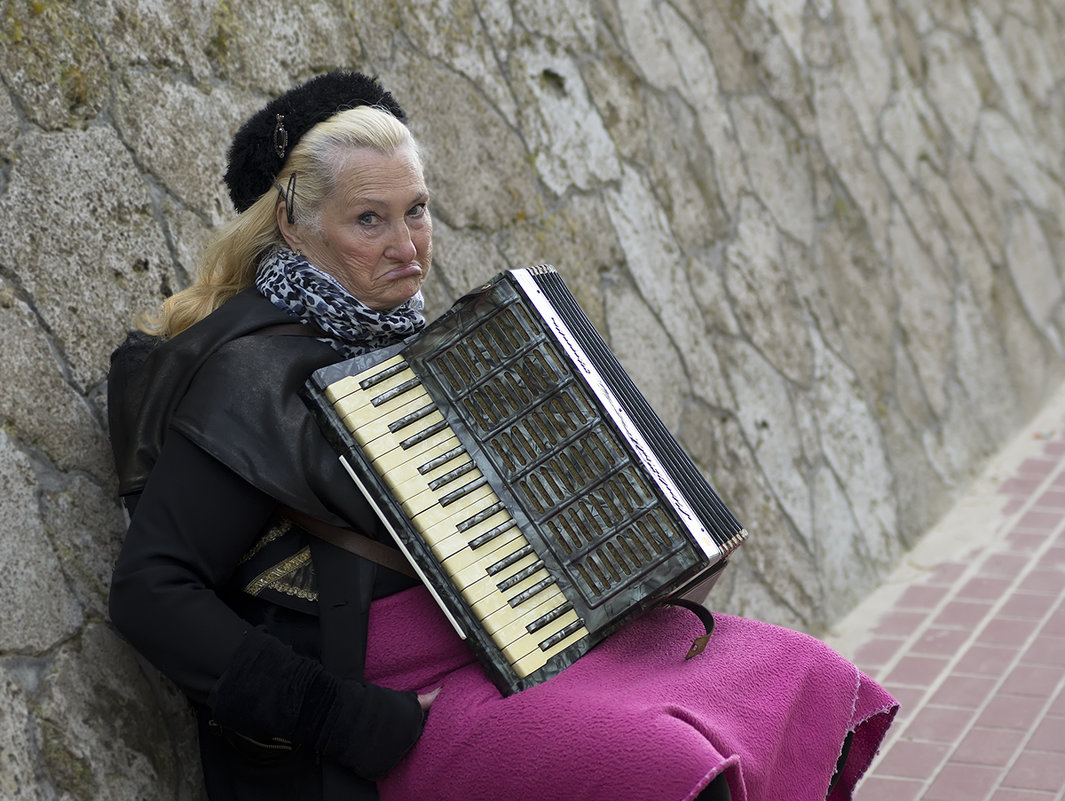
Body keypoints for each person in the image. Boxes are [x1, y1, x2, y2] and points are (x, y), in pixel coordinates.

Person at [107, 71, 896, 801]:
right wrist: (348, 716)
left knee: (799, 673)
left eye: (415, 210)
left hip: (516, 643)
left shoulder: (409, 340)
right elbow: (151, 592)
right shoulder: (244, 375)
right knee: (671, 763)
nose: (406, 246)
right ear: (292, 223)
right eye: (368, 220)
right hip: (397, 693)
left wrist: (638, 581)